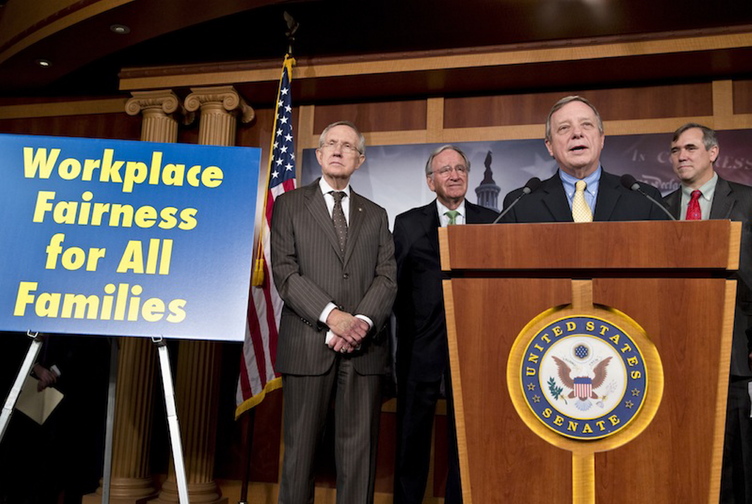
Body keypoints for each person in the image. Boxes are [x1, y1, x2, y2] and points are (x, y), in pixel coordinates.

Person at [271, 120, 397, 504]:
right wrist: (333, 317)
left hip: (364, 351)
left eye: (348, 146)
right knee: (299, 456)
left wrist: (360, 323)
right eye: (331, 144)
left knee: (359, 460)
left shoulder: (376, 214)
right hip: (308, 347)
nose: (339, 150)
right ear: (320, 154)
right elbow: (285, 272)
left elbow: (387, 277)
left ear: (359, 160)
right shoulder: (289, 204)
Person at [392, 145, 499, 504]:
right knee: (411, 440)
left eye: (460, 169)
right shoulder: (407, 223)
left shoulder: (491, 222)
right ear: (430, 181)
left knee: (465, 442)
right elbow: (395, 288)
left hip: (474, 349)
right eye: (445, 170)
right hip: (420, 350)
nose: (454, 175)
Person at [663, 123, 752, 504]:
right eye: (675, 150)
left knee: (737, 454)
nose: (681, 156)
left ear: (713, 153)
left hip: (736, 345)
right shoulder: (660, 208)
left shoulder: (747, 201)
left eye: (690, 148)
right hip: (675, 349)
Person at [500, 95, 669, 222]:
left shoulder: (645, 199)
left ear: (601, 139)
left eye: (586, 125)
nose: (577, 133)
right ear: (549, 146)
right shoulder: (520, 205)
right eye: (564, 128)